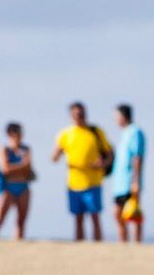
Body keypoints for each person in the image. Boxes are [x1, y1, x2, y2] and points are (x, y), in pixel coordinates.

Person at [52, 102, 113, 242]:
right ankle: (79, 246)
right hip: (74, 181)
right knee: (77, 217)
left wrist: (103, 163)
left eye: (82, 113)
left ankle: (98, 245)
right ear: (71, 115)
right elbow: (54, 157)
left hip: (93, 181)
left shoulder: (95, 131)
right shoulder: (65, 134)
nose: (79, 116)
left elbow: (109, 153)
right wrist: (57, 153)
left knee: (94, 215)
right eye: (76, 114)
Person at [0, 122, 35, 241]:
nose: (20, 135)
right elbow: (5, 169)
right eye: (18, 132)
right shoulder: (5, 149)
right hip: (8, 187)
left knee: (21, 220)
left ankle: (18, 243)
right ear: (10, 134)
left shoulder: (26, 149)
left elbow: (29, 168)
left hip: (23, 186)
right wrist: (22, 166)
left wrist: (15, 167)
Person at [110, 104, 147, 244]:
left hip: (129, 181)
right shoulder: (124, 133)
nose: (115, 120)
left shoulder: (135, 132)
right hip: (119, 183)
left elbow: (137, 157)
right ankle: (123, 243)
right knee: (118, 214)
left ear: (123, 116)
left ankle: (137, 243)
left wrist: (136, 181)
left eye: (116, 117)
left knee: (133, 214)